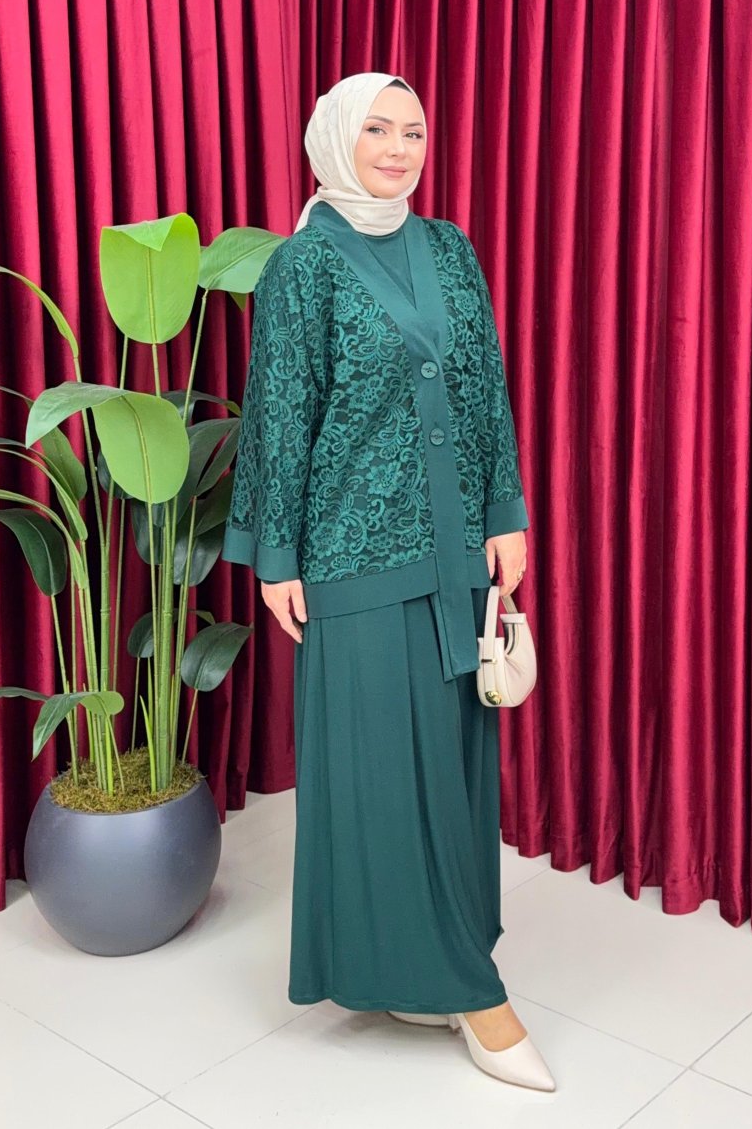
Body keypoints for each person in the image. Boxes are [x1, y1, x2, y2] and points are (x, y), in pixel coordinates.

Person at [222, 71, 555, 1093]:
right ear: (335, 137)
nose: (399, 148)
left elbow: (487, 385)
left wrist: (507, 513)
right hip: (352, 553)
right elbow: (280, 411)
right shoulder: (303, 266)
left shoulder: (450, 248)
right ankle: (472, 992)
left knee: (450, 764)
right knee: (380, 769)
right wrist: (276, 555)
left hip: (456, 548)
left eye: (413, 131)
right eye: (378, 128)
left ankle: (424, 963)